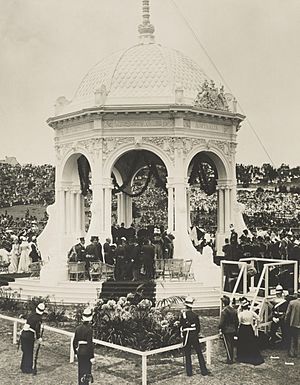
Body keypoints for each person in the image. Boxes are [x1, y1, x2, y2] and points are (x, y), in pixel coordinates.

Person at [179, 297, 211, 377]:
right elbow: (198, 328)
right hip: (194, 335)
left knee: (187, 353)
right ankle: (203, 370)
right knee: (199, 353)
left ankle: (189, 372)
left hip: (187, 335)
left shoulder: (183, 315)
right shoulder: (195, 315)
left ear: (186, 306)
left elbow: (181, 325)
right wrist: (195, 333)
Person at [236, 299, 264, 365]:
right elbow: (259, 318)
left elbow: (238, 321)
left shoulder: (241, 314)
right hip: (249, 328)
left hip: (243, 328)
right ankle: (251, 356)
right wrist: (256, 325)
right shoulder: (251, 312)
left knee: (242, 342)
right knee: (250, 342)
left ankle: (243, 357)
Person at [20, 302, 45, 374]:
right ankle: (27, 368)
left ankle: (23, 367)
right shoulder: (39, 318)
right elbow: (37, 329)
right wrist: (39, 337)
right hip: (29, 335)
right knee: (29, 352)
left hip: (23, 334)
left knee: (25, 351)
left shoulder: (31, 314)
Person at [73, 307, 95, 385]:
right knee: (87, 372)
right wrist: (92, 356)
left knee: (81, 371)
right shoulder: (90, 330)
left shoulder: (77, 328)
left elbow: (74, 342)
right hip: (86, 353)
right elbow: (89, 344)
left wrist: (75, 352)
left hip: (80, 352)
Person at [219, 295, 239, 364]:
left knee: (228, 345)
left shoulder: (224, 311)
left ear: (223, 303)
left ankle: (229, 359)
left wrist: (220, 328)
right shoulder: (234, 310)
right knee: (232, 344)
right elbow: (237, 321)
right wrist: (235, 329)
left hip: (226, 330)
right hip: (233, 329)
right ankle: (231, 357)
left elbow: (221, 323)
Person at [285, 289, 300, 357]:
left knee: (292, 338)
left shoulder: (292, 302)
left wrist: (286, 321)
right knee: (298, 339)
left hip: (293, 323)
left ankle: (291, 353)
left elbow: (287, 313)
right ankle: (298, 353)